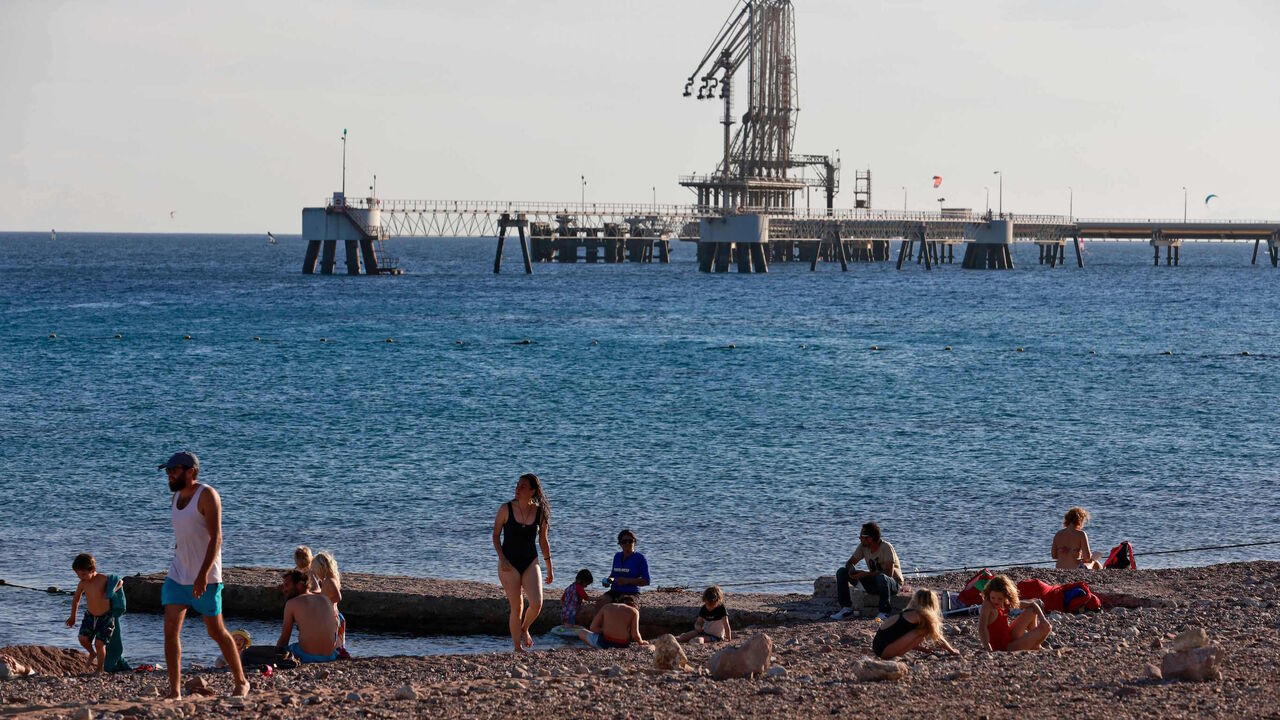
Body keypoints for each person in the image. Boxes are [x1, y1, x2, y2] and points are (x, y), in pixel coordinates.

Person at [158, 451, 249, 698]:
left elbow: (216, 538)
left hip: (206, 577)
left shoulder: (207, 495)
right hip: (178, 574)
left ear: (191, 472)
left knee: (216, 631)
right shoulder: (175, 497)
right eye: (167, 471)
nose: (169, 475)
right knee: (170, 629)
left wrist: (202, 575)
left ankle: (241, 681)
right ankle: (175, 690)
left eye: (174, 471)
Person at [491, 473, 554, 653]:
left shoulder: (540, 513)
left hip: (530, 561)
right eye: (517, 485)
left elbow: (543, 541)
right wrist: (502, 558)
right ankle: (517, 647)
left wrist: (549, 568)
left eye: (523, 486)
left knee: (536, 603)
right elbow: (495, 536)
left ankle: (525, 628)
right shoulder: (506, 509)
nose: (518, 489)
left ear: (533, 491)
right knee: (517, 605)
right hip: (508, 563)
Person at [831, 522, 904, 620]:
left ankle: (884, 612)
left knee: (882, 577)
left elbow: (888, 574)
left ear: (870, 538)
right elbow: (849, 562)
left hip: (892, 584)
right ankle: (846, 609)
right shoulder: (863, 547)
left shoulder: (886, 547)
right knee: (842, 572)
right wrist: (852, 571)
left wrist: (866, 574)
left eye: (862, 536)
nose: (859, 539)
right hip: (874, 582)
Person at [65, 553, 122, 672]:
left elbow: (120, 582)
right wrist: (72, 617)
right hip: (90, 616)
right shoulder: (82, 583)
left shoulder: (102, 578)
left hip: (106, 617)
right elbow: (76, 600)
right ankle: (92, 653)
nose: (81, 577)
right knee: (82, 638)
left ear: (93, 570)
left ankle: (99, 669)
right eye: (78, 574)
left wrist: (111, 592)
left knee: (99, 644)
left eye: (83, 574)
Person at [871, 588, 960, 659]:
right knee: (924, 631)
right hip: (885, 650)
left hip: (879, 648)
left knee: (920, 635)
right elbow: (937, 636)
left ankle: (894, 656)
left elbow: (898, 637)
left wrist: (924, 650)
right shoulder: (921, 616)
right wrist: (951, 650)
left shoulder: (909, 612)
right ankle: (893, 657)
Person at [276, 569, 340, 663]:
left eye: (286, 585)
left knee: (285, 649)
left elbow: (285, 638)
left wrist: (276, 651)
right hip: (331, 655)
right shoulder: (325, 598)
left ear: (300, 585)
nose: (284, 590)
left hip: (307, 656)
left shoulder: (291, 603)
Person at [978, 575, 1052, 652]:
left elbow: (1032, 604)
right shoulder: (988, 604)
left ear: (1006, 596)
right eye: (993, 597)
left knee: (1031, 611)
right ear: (989, 594)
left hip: (1009, 637)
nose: (996, 601)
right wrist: (988, 648)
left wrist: (1043, 619)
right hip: (1005, 647)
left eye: (1000, 598)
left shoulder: (1005, 603)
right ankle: (1035, 646)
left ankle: (1036, 646)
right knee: (1046, 628)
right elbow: (982, 627)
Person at [594, 529, 650, 615]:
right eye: (624, 541)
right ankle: (600, 627)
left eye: (630, 541)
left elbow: (646, 581)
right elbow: (613, 576)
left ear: (634, 542)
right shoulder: (617, 556)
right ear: (620, 544)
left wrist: (628, 581)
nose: (627, 544)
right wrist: (608, 581)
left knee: (625, 607)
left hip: (631, 592)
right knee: (600, 602)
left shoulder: (640, 558)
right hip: (615, 591)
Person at [575, 595, 648, 650]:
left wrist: (605, 630)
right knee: (651, 646)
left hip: (603, 644)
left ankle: (596, 648)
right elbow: (635, 635)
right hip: (622, 645)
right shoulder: (634, 611)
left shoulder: (607, 606)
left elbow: (593, 628)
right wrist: (641, 642)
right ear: (634, 605)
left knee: (581, 631)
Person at [312, 551, 346, 652]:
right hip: (333, 616)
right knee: (334, 646)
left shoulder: (330, 580)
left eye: (316, 570)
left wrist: (324, 602)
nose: (316, 574)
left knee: (331, 646)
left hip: (332, 617)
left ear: (321, 568)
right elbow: (327, 594)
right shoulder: (331, 579)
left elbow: (338, 597)